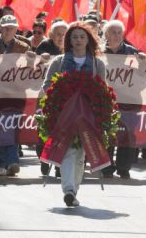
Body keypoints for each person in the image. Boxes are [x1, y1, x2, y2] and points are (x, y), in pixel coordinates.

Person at [41, 22, 106, 207]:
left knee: (80, 154)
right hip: (64, 114)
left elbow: (102, 90)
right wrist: (59, 98)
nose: (78, 40)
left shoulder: (97, 63)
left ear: (88, 40)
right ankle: (68, 189)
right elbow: (46, 86)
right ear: (69, 40)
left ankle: (73, 190)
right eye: (74, 37)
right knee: (69, 151)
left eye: (82, 37)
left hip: (86, 116)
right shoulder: (59, 62)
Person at [0, 14, 30, 176]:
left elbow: (30, 70)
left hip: (15, 93)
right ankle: (1, 164)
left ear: (16, 28)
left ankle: (12, 161)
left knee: (12, 126)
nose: (9, 29)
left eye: (12, 27)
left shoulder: (24, 47)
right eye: (6, 26)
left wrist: (32, 62)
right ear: (0, 28)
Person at [100, 20, 145, 179]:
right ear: (106, 34)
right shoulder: (99, 52)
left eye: (119, 32)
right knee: (107, 132)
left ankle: (124, 167)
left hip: (129, 100)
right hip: (106, 100)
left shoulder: (134, 53)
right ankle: (106, 166)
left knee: (128, 134)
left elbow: (144, 77)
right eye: (113, 32)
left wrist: (143, 64)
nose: (117, 35)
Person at [34, 20, 68, 176]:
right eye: (58, 34)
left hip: (67, 98)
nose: (61, 37)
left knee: (64, 132)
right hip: (46, 95)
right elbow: (33, 65)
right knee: (46, 130)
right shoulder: (44, 46)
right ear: (51, 35)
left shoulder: (73, 48)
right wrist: (41, 58)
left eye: (64, 34)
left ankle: (60, 166)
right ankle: (44, 159)